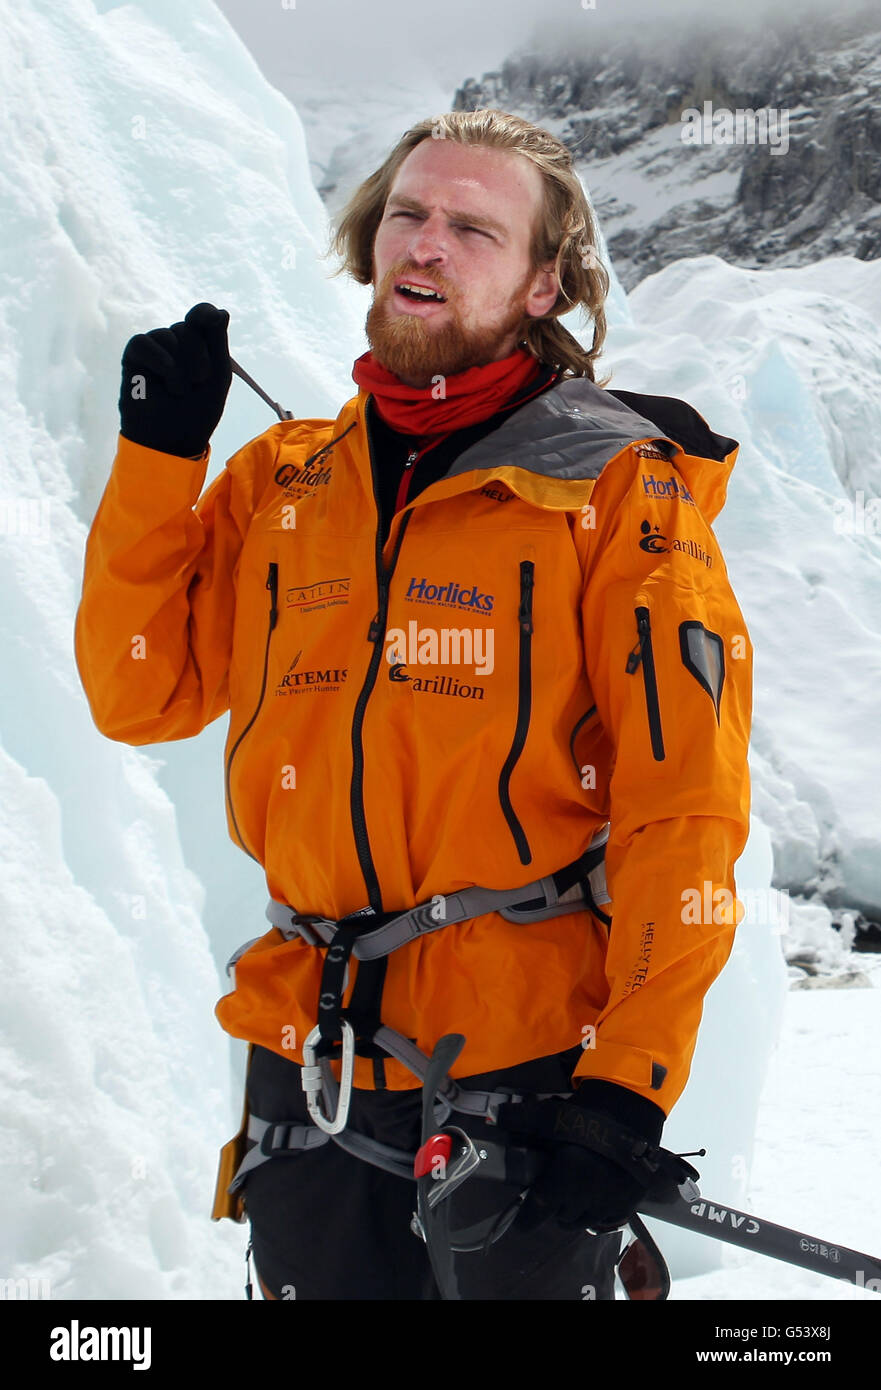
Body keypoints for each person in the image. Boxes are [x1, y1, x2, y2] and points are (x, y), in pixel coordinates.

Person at [75, 108, 752, 1301]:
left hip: (526, 1070)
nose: (424, 245)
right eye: (406, 214)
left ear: (546, 284)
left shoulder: (615, 496)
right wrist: (155, 462)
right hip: (308, 1054)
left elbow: (680, 808)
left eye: (472, 229)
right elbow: (142, 694)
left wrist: (626, 1085)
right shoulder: (283, 482)